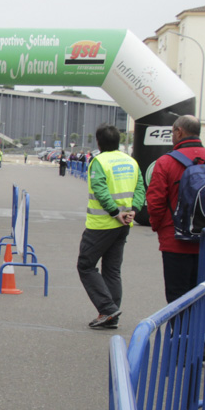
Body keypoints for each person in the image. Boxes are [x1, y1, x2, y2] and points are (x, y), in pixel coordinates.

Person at [146, 115, 205, 303]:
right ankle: (197, 332)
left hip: (175, 240)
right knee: (201, 294)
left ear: (179, 132)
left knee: (177, 296)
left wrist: (159, 227)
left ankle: (179, 333)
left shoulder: (166, 162)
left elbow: (155, 202)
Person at [76, 124, 145, 329]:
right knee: (112, 270)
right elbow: (140, 187)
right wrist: (134, 210)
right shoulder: (131, 161)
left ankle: (107, 308)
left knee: (86, 265)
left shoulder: (99, 161)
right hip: (125, 223)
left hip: (102, 224)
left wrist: (115, 213)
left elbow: (100, 189)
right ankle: (111, 316)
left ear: (98, 141)